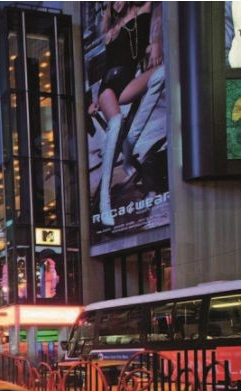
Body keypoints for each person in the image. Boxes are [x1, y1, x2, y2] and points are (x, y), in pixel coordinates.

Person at [88, 1, 164, 227]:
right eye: (112, 2)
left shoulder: (144, 11)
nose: (116, 3)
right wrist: (96, 101)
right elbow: (106, 68)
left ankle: (129, 145)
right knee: (116, 121)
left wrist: (156, 41)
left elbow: (158, 8)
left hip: (128, 82)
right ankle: (105, 202)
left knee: (161, 75)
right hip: (108, 88)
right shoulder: (111, 31)